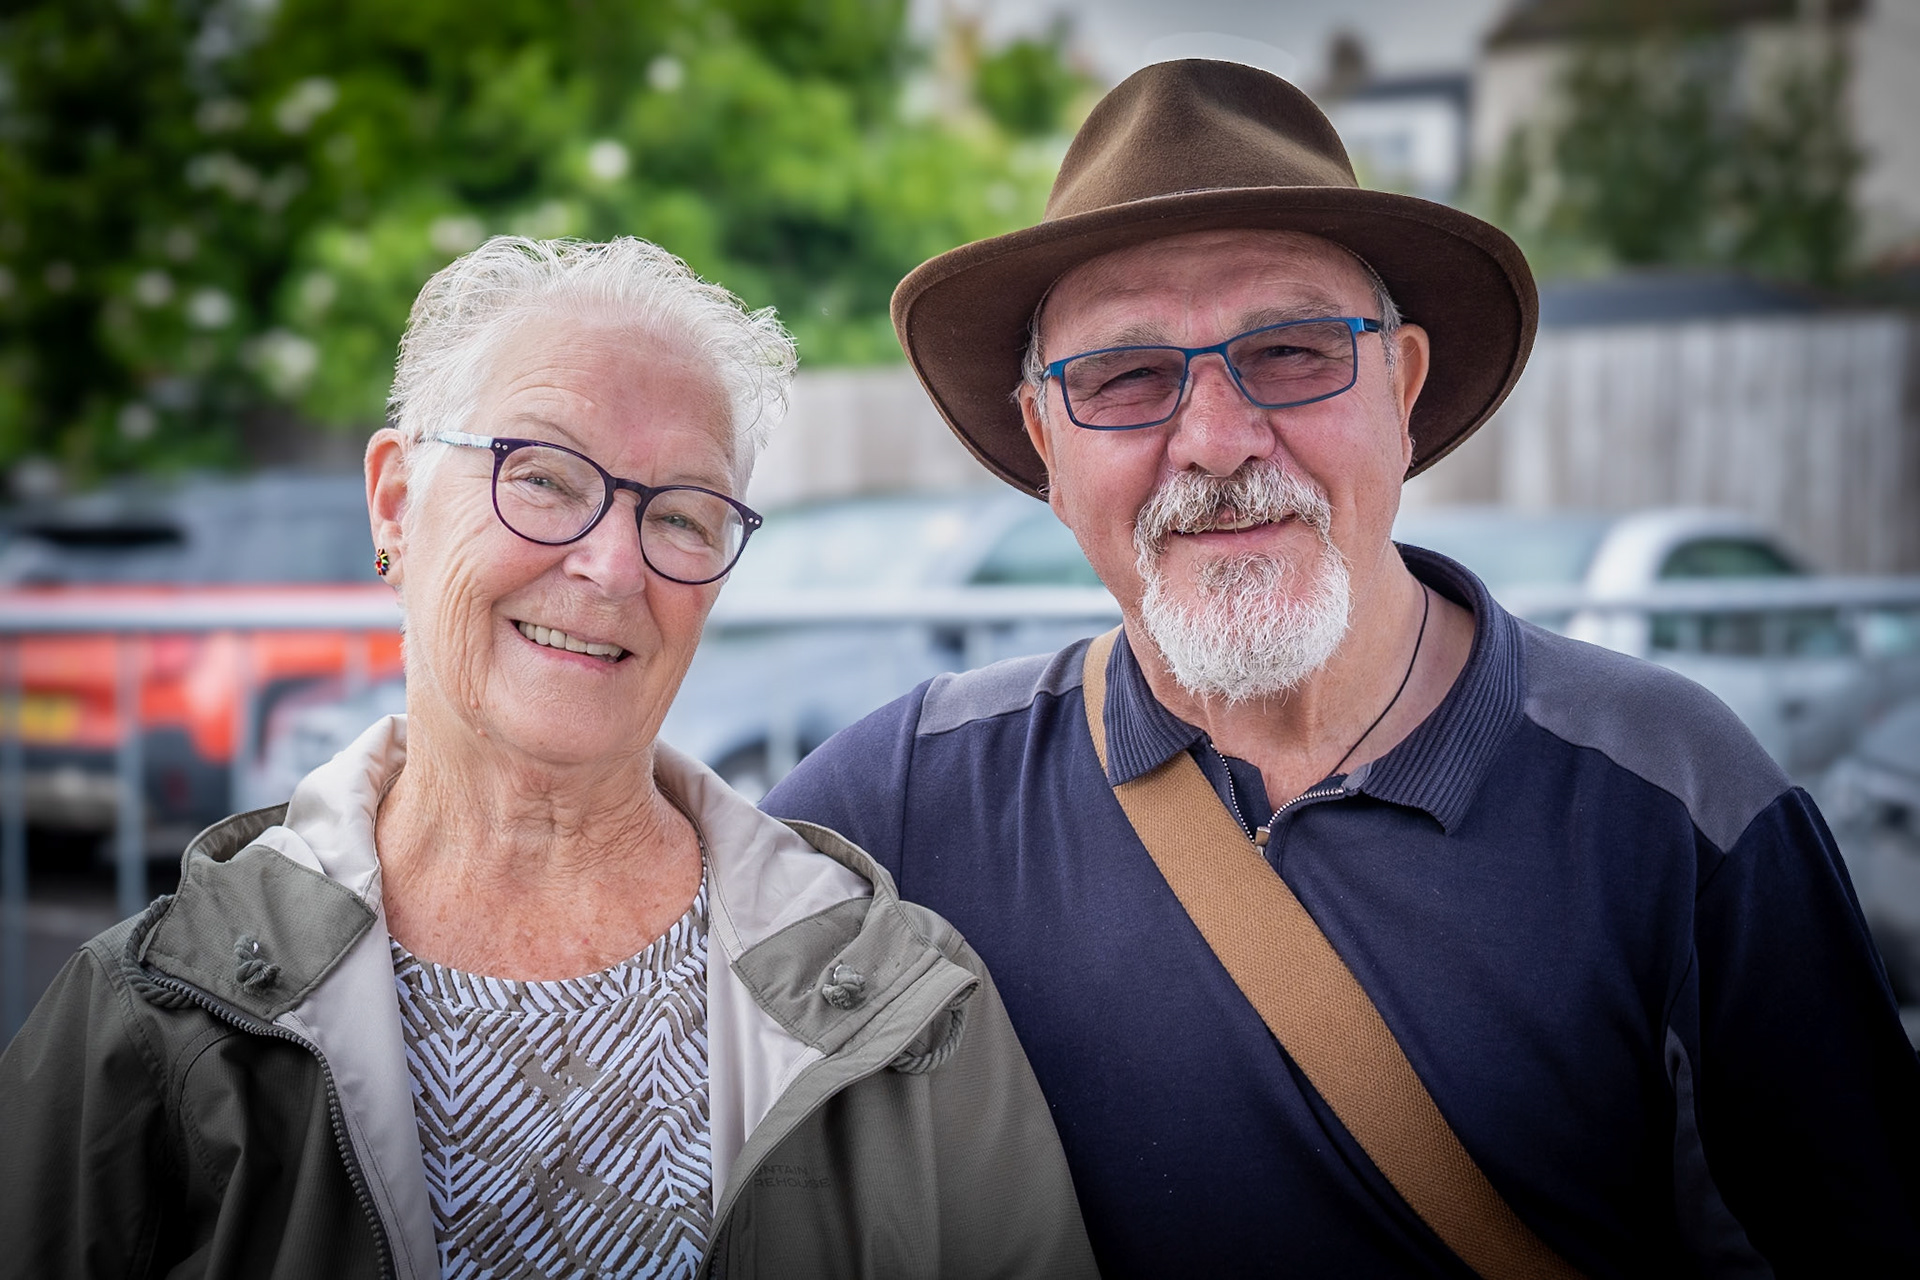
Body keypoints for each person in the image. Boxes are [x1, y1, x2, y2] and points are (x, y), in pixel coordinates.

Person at [764, 60, 1920, 1277]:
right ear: (1048, 445)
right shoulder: (907, 797)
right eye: (1123, 376)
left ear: (1403, 388)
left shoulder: (1676, 799)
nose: (1214, 440)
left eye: (1296, 350)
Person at [0, 236, 1095, 1279]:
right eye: (542, 476)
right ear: (394, 501)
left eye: (682, 513)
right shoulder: (152, 1011)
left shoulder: (907, 1007)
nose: (613, 564)